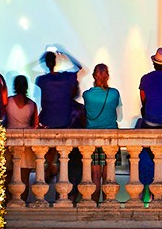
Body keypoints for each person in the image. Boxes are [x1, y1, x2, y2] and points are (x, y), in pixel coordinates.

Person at [82, 63, 122, 202]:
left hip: (92, 139)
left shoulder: (86, 95)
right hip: (111, 138)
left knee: (95, 175)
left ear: (94, 76)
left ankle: (94, 205)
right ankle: (107, 204)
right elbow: (119, 116)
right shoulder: (114, 94)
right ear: (108, 76)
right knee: (108, 175)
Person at [36, 50, 81, 129]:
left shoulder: (42, 80)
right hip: (65, 120)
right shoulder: (65, 77)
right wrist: (66, 56)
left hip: (47, 120)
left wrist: (40, 60)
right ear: (56, 61)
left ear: (46, 63)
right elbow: (79, 68)